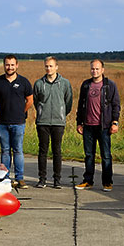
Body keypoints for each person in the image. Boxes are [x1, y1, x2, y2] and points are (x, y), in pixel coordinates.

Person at [75, 59, 121, 192]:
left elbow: (116, 105)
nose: (94, 71)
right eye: (92, 69)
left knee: (106, 156)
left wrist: (115, 122)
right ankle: (88, 181)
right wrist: (79, 123)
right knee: (89, 155)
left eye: (97, 69)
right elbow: (80, 105)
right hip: (88, 126)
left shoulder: (109, 85)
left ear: (102, 70)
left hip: (104, 126)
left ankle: (107, 182)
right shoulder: (86, 85)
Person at [0, 55, 33, 189]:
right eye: (7, 65)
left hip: (18, 122)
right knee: (4, 151)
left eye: (12, 65)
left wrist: (22, 112)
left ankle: (20, 178)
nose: (9, 67)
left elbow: (30, 100)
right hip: (2, 123)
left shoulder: (24, 82)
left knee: (18, 151)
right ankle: (5, 178)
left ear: (17, 65)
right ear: (4, 65)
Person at [32, 56, 73, 189]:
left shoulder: (65, 83)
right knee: (42, 151)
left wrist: (61, 114)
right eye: (46, 66)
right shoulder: (39, 83)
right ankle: (42, 179)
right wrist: (41, 113)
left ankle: (57, 180)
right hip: (43, 122)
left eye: (51, 66)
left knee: (57, 151)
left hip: (58, 122)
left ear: (56, 67)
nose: (48, 68)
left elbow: (68, 102)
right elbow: (36, 101)